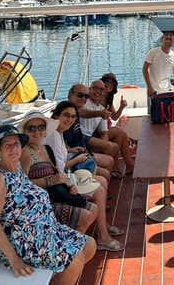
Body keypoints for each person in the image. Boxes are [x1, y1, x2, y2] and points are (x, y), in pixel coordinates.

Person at [0, 124, 96, 284]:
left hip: (46, 231)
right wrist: (14, 259)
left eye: (16, 144)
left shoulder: (17, 170)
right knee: (75, 258)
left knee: (90, 245)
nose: (13, 149)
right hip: (24, 242)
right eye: (7, 145)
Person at [44, 101, 124, 251]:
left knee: (102, 181)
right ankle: (103, 237)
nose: (70, 119)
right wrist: (77, 159)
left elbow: (58, 155)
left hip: (65, 176)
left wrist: (71, 150)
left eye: (73, 116)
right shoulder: (54, 135)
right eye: (66, 115)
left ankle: (102, 224)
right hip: (60, 183)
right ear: (56, 116)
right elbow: (60, 168)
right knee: (99, 189)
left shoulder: (58, 132)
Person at [19, 111, 98, 233]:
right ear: (24, 132)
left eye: (41, 127)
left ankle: (72, 238)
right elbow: (22, 185)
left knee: (93, 209)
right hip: (43, 203)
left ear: (45, 130)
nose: (37, 132)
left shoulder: (46, 149)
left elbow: (56, 173)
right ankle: (72, 240)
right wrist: (50, 181)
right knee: (85, 215)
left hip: (58, 195)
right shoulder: (25, 153)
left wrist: (69, 185)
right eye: (31, 128)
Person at [85, 80, 134, 175]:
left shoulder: (102, 108)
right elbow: (82, 112)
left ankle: (121, 168)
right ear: (89, 89)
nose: (98, 91)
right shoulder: (84, 102)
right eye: (95, 88)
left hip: (94, 137)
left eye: (101, 89)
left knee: (120, 135)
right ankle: (120, 168)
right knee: (117, 136)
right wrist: (105, 145)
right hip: (85, 138)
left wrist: (103, 144)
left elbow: (104, 132)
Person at [65, 83, 115, 177]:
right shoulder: (65, 112)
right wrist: (100, 113)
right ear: (69, 95)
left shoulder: (76, 112)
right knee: (105, 174)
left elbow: (104, 132)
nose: (83, 98)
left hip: (80, 152)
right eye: (80, 95)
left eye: (86, 96)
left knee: (110, 161)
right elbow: (84, 113)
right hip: (72, 158)